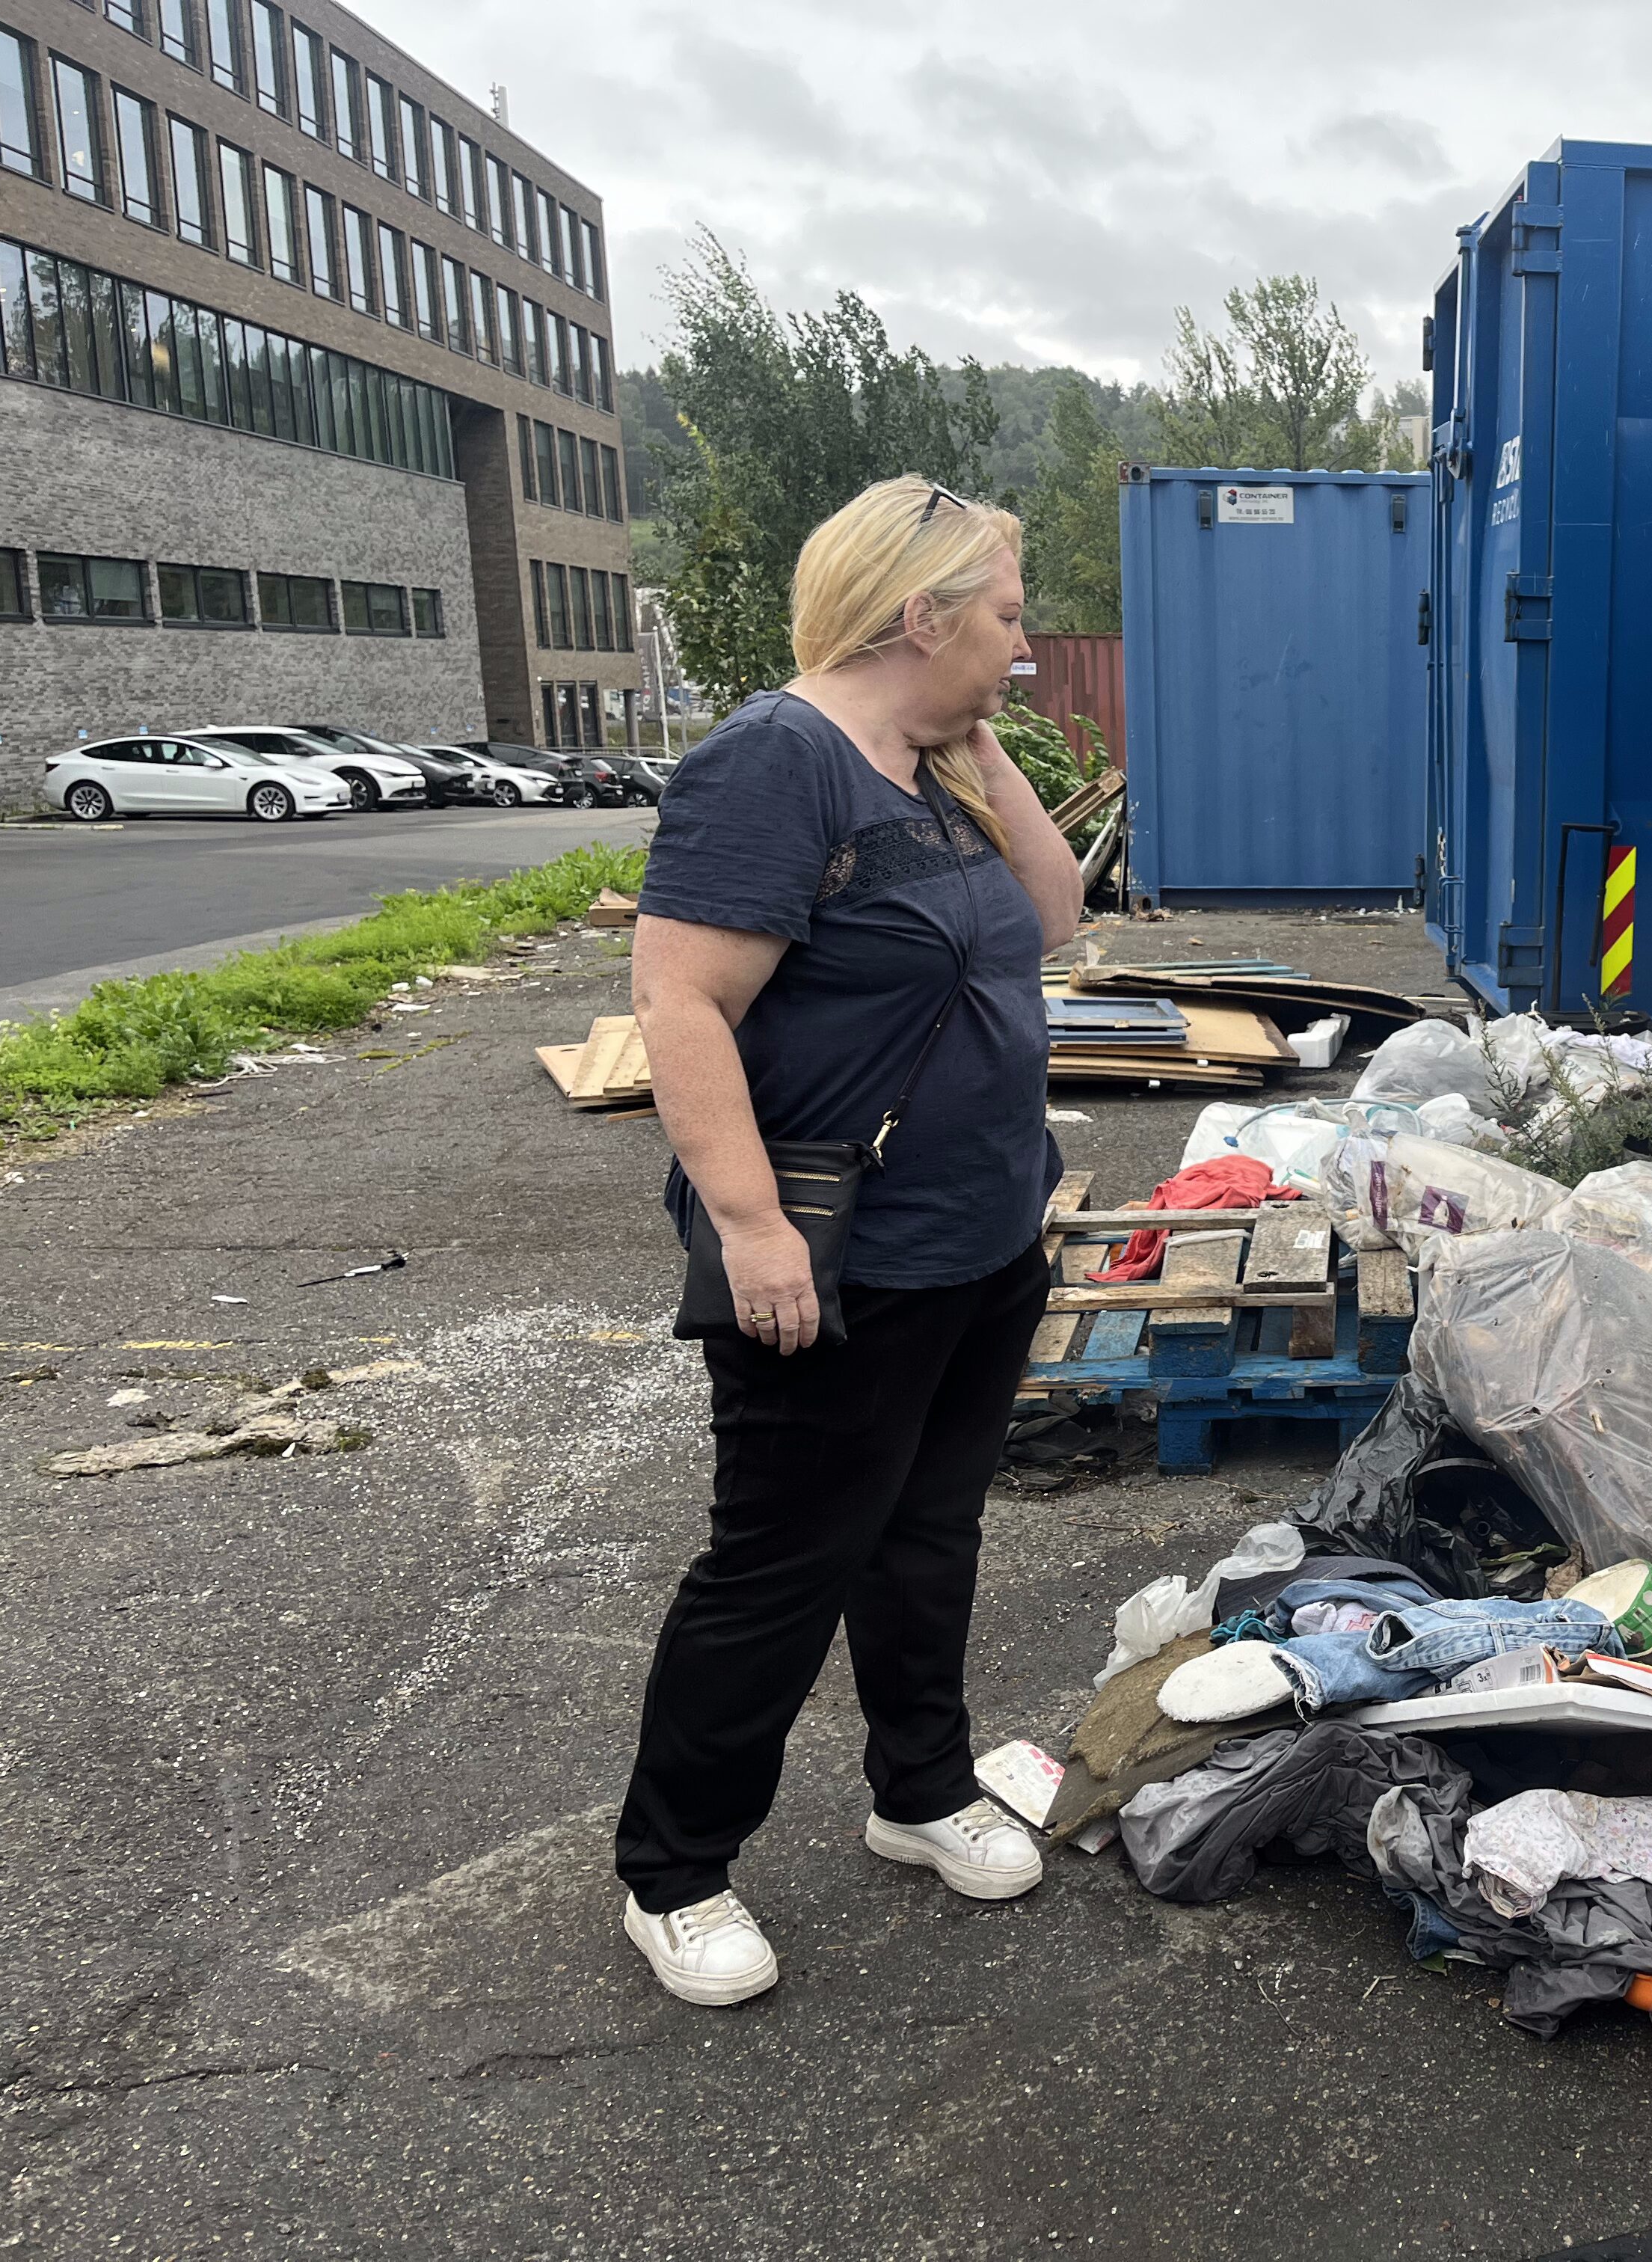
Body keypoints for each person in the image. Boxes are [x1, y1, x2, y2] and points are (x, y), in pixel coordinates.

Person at [612, 476, 1084, 2005]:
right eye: (1005, 618)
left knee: (929, 1538)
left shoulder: (931, 759)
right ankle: (674, 1875)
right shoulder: (774, 763)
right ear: (920, 614)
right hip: (839, 1257)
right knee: (780, 1566)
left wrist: (979, 740)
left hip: (981, 1240)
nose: (1023, 647)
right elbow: (679, 1003)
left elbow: (1058, 914)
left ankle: (922, 1791)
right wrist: (753, 1231)